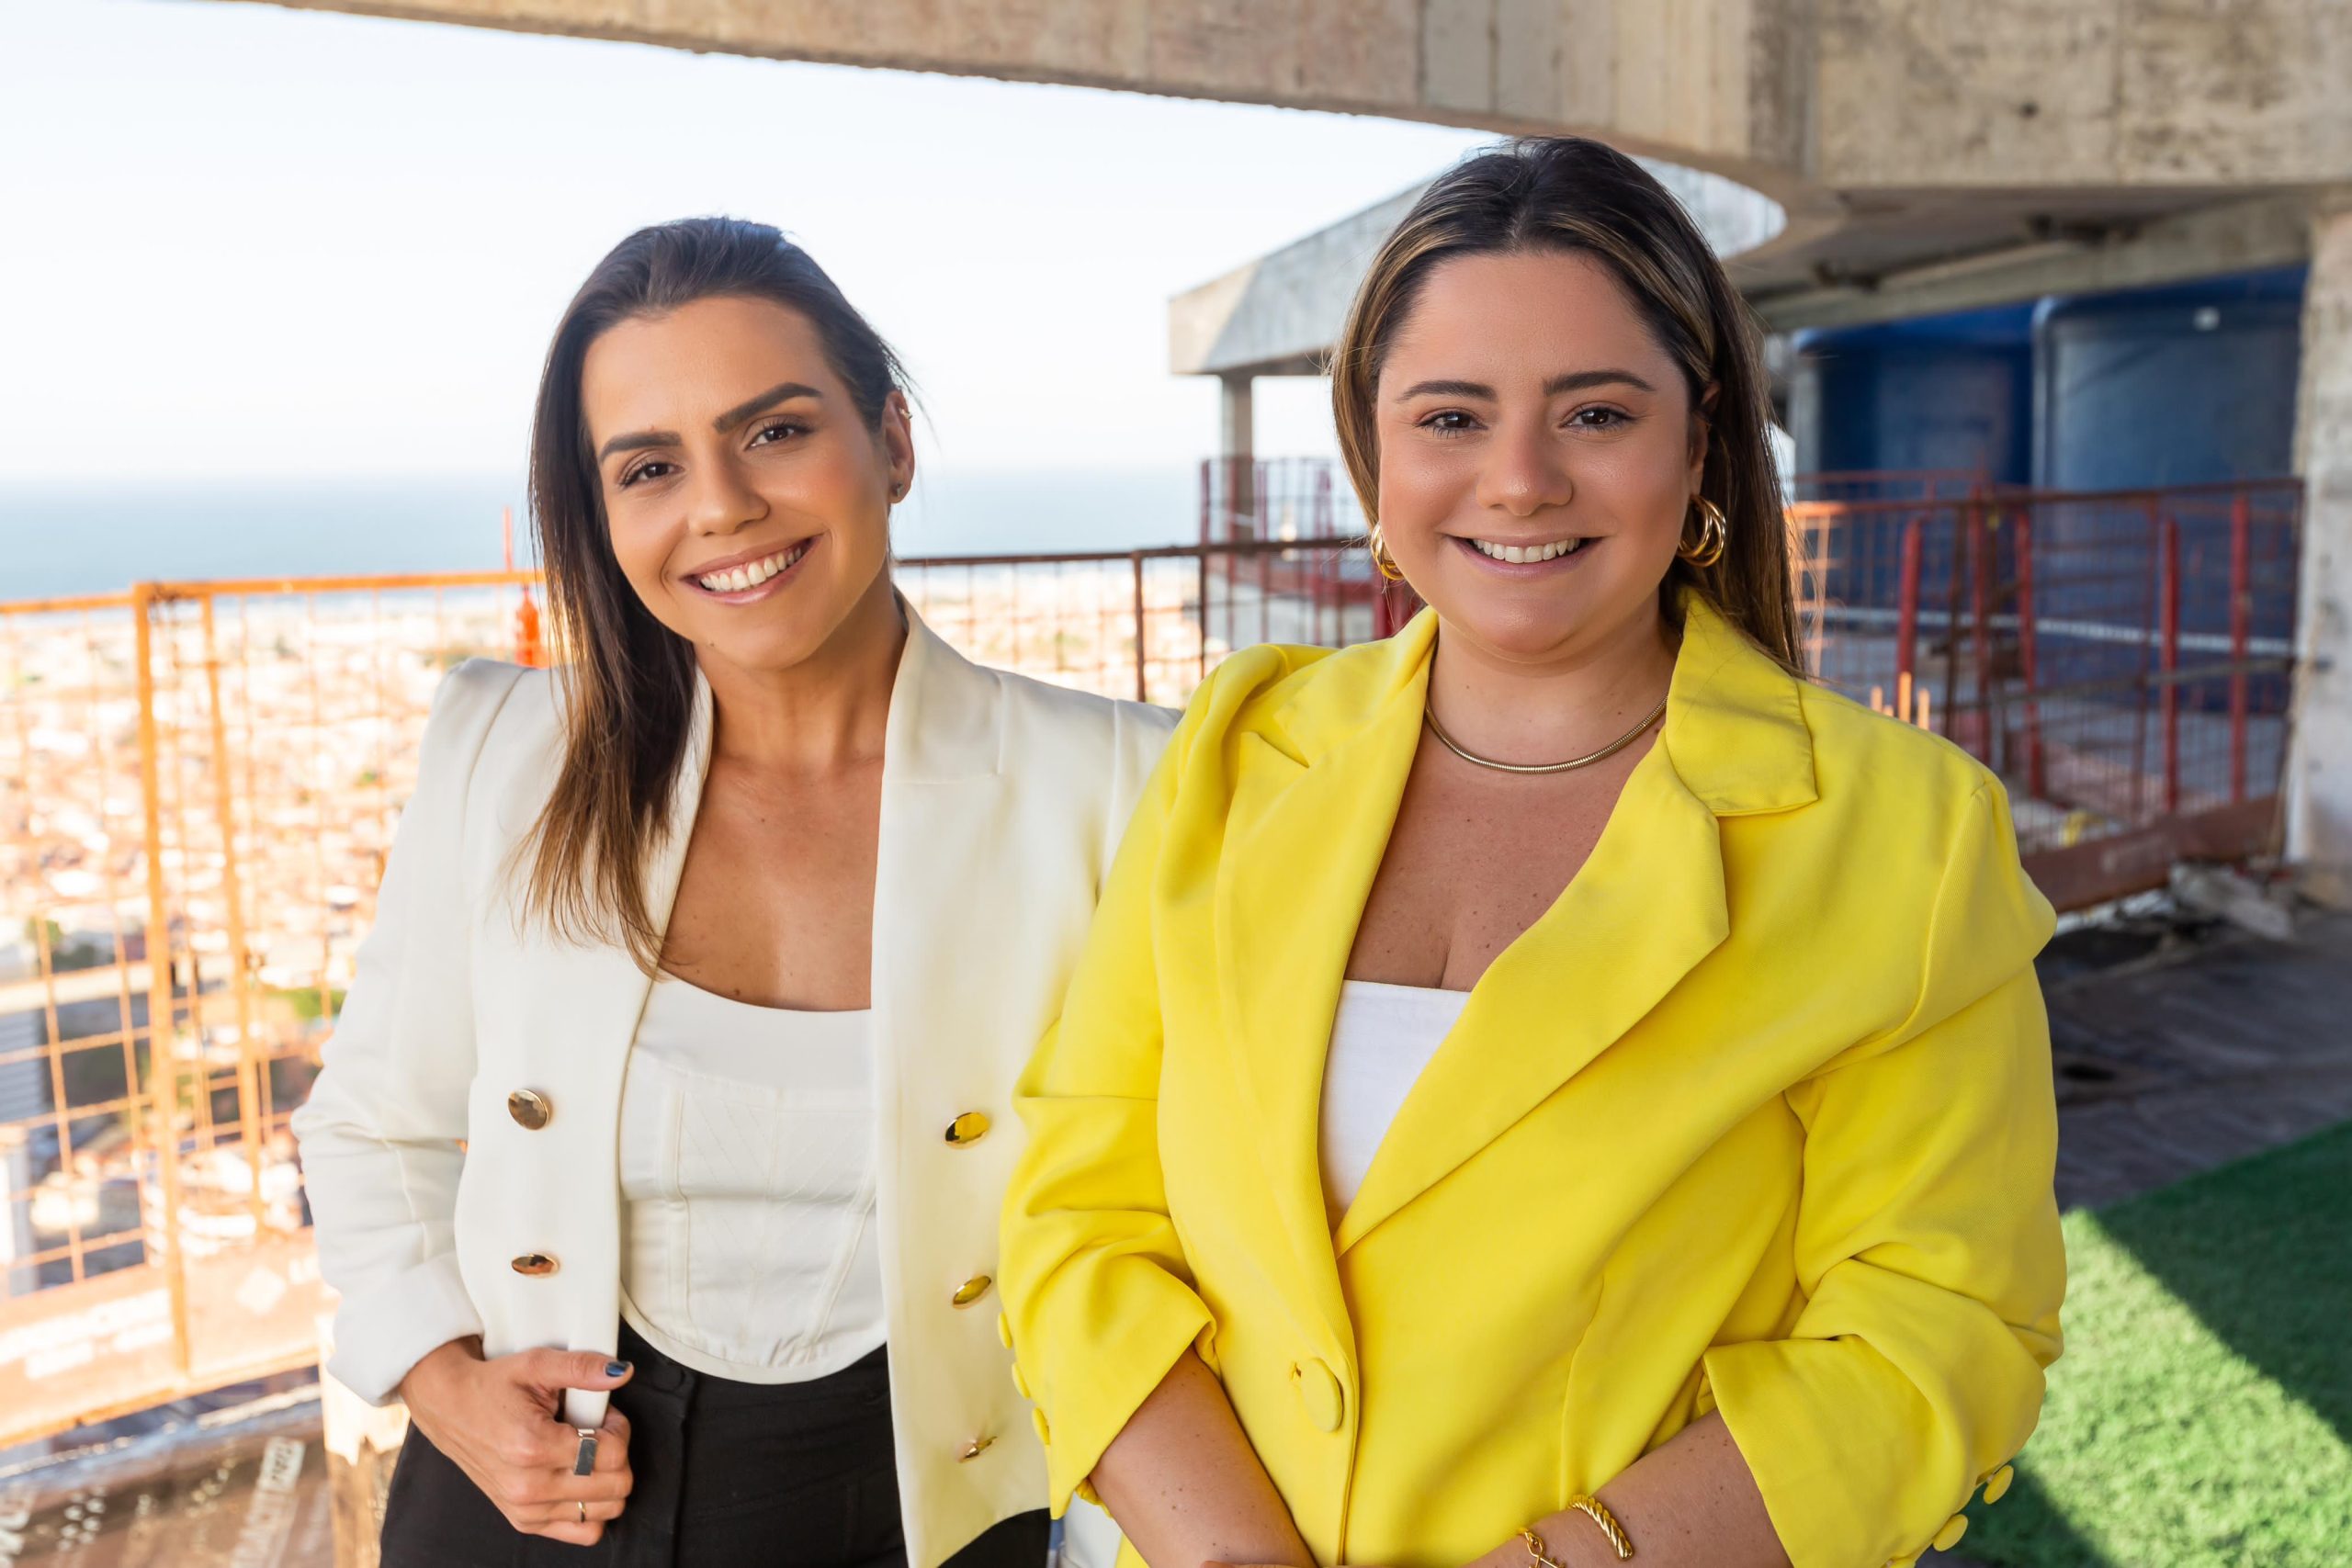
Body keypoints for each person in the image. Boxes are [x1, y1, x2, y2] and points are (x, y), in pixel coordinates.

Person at [998, 138, 2066, 1568]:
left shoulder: (1904, 835)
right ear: (1373, 458)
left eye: (1595, 414)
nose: (1517, 481)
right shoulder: (1236, 753)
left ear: (1697, 447)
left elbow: (1939, 1330)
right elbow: (1082, 1213)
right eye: (1449, 417)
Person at [292, 217, 1172, 1568]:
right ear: (603, 514)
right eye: (650, 466)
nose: (720, 506)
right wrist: (448, 1387)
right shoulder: (505, 751)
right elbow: (371, 1127)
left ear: (892, 440)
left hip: (923, 1514)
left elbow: (1164, 1208)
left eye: (772, 431)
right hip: (528, 1505)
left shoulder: (1115, 783)